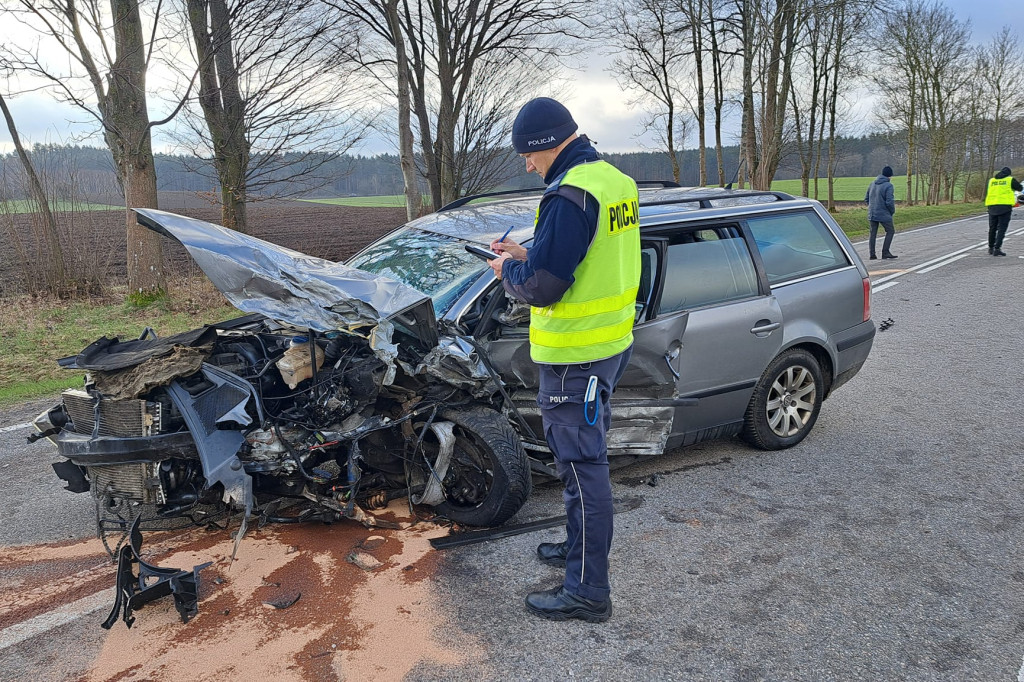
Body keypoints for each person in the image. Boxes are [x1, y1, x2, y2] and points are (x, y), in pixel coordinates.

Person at [487, 97, 640, 623]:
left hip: (577, 358)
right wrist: (527, 255)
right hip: (607, 348)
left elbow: (546, 288)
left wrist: (505, 275)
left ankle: (587, 591)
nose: (527, 165)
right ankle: (576, 550)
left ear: (546, 145)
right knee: (581, 463)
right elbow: (585, 255)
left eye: (528, 156)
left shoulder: (568, 194)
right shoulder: (613, 182)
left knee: (580, 468)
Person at [984, 166, 1022, 257]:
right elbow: (1020, 188)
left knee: (992, 228)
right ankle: (997, 248)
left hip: (992, 206)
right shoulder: (1010, 180)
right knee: (1002, 229)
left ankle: (990, 248)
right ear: (1009, 173)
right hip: (1004, 207)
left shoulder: (992, 181)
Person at [865, 166, 898, 260]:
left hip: (872, 212)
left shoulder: (872, 184)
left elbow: (866, 199)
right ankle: (885, 252)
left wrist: (872, 206)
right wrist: (891, 211)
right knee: (890, 231)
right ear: (890, 176)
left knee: (872, 233)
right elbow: (889, 202)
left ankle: (872, 254)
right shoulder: (888, 185)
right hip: (884, 213)